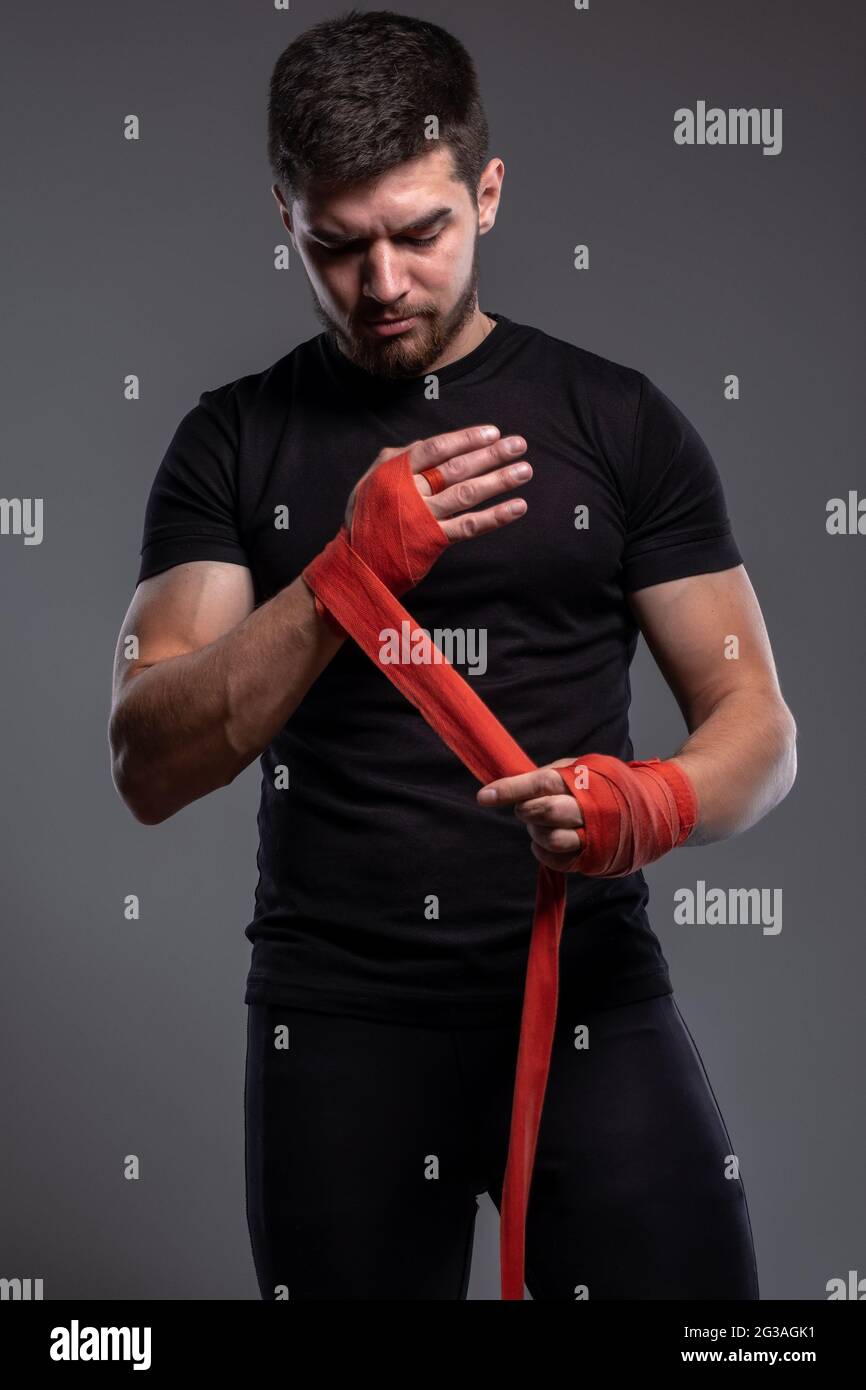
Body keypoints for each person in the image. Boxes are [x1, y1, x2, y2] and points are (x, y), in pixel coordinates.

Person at [108, 9, 796, 1300]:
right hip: (340, 1022)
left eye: (420, 233)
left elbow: (756, 722)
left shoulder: (616, 420)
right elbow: (146, 757)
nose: (382, 285)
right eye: (337, 245)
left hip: (588, 987)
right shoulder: (232, 443)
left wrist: (651, 801)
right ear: (285, 217)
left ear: (486, 191)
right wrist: (338, 579)